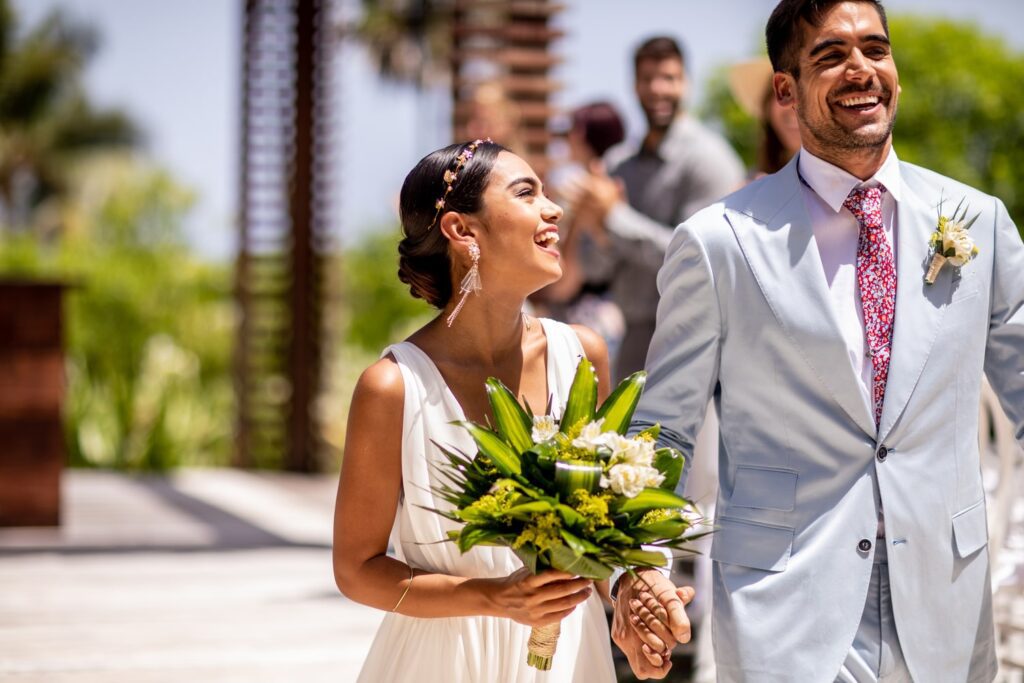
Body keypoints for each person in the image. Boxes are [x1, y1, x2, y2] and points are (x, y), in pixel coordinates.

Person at [611, 1, 1024, 681]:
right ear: (785, 91)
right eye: (831, 55)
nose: (861, 68)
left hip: (947, 604)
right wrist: (640, 568)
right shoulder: (719, 243)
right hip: (786, 610)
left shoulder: (978, 221)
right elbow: (666, 433)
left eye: (875, 49)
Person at [332, 139, 617, 682]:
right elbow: (356, 570)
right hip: (444, 661)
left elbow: (599, 531)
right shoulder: (393, 387)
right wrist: (494, 598)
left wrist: (631, 596)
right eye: (526, 192)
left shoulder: (583, 355)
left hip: (571, 658)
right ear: (463, 232)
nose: (553, 208)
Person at [563, 36, 745, 381]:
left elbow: (700, 258)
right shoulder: (619, 164)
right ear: (634, 85)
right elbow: (593, 268)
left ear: (685, 83)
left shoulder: (710, 159)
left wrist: (613, 217)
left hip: (695, 344)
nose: (658, 89)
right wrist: (599, 229)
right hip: (630, 343)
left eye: (669, 78)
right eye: (648, 79)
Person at [538, 101, 627, 359]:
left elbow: (567, 280)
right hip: (608, 313)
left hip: (587, 315)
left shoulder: (588, 191)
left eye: (572, 130)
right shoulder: (617, 183)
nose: (567, 139)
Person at [728, 56, 803, 176]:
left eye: (804, 91)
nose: (793, 104)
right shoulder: (752, 183)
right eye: (784, 90)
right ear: (767, 105)